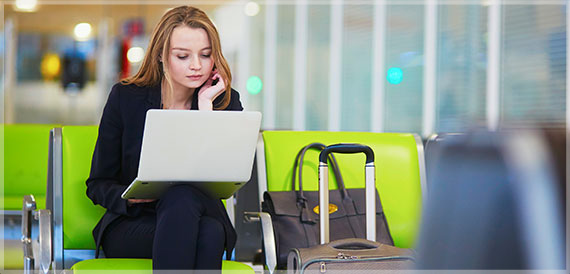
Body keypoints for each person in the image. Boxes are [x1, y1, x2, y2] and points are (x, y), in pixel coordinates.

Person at [86, 6, 243, 271]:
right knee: (207, 231)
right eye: (183, 56)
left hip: (200, 214)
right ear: (160, 55)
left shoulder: (225, 102)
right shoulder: (126, 98)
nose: (196, 65)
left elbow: (227, 177)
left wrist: (206, 109)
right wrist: (130, 197)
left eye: (206, 55)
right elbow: (98, 184)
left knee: (187, 203)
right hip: (133, 223)